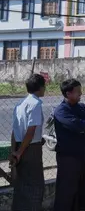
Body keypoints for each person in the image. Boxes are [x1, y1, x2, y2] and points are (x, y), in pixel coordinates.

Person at [53, 79, 85, 211]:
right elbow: (78, 126)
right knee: (66, 192)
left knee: (83, 190)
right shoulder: (61, 111)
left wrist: (83, 125)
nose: (81, 94)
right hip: (68, 157)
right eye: (77, 91)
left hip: (81, 155)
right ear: (68, 94)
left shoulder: (82, 107)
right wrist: (84, 125)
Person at [11, 74, 46, 211]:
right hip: (30, 149)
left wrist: (14, 151)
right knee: (35, 186)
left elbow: (14, 131)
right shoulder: (35, 104)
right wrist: (19, 153)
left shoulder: (20, 104)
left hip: (20, 146)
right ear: (40, 88)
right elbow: (31, 132)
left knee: (21, 185)